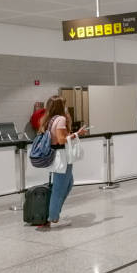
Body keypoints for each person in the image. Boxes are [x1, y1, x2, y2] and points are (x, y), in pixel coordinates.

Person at [40, 96, 87, 228]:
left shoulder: (51, 119)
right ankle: (53, 217)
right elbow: (61, 140)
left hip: (59, 156)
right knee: (59, 189)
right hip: (62, 157)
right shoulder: (60, 119)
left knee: (68, 184)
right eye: (64, 104)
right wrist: (77, 133)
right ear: (60, 106)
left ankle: (54, 214)